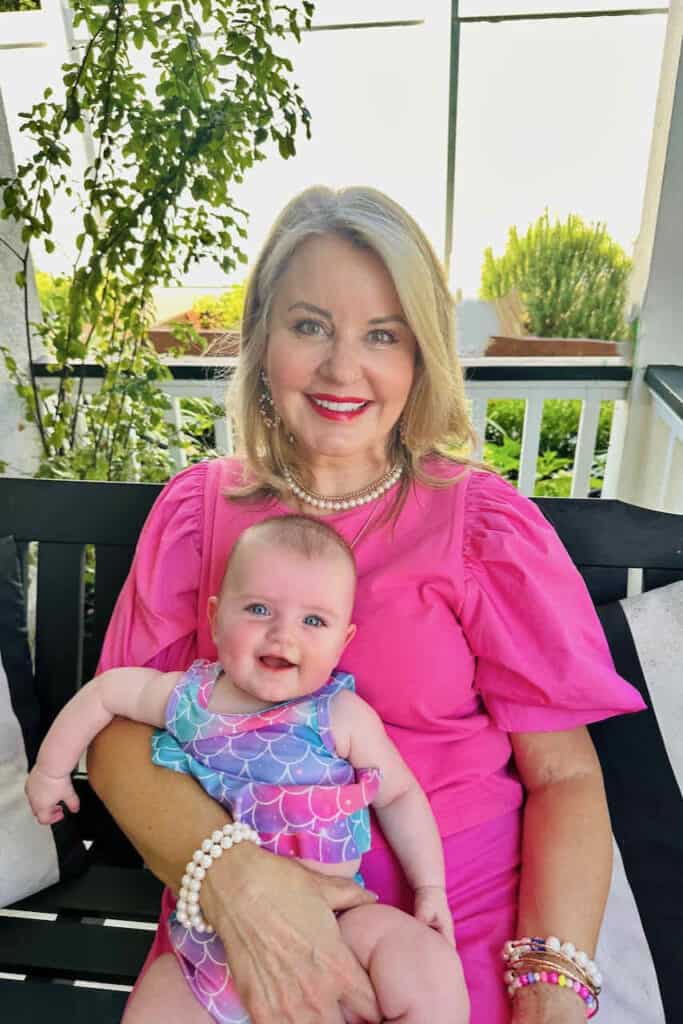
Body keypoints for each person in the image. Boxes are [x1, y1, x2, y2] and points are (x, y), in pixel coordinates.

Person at [86, 185, 645, 1024]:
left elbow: (564, 775)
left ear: (418, 356)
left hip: (446, 924)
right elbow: (118, 738)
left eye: (381, 335)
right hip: (236, 923)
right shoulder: (199, 513)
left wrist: (550, 986)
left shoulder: (480, 525)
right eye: (309, 326)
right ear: (262, 340)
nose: (342, 369)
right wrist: (238, 883)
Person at [26, 515, 468, 1024]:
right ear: (215, 619)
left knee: (425, 965)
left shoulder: (340, 717)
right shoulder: (190, 699)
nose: (283, 634)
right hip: (208, 940)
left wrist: (430, 887)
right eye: (259, 609)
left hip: (337, 922)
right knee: (156, 1001)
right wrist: (51, 771)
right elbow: (106, 692)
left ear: (343, 641)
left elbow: (398, 796)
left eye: (314, 621)